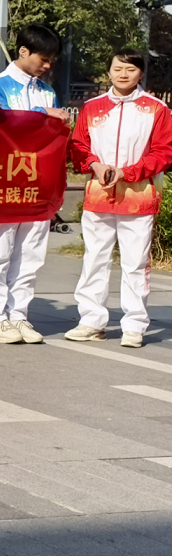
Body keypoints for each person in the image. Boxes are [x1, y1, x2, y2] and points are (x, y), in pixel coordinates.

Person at [66, 50, 172, 347]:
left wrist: (129, 172)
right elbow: (78, 146)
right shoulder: (92, 107)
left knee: (135, 262)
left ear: (141, 73)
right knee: (94, 259)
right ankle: (91, 321)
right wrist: (94, 165)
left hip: (139, 197)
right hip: (98, 195)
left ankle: (134, 325)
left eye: (130, 69)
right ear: (109, 71)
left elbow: (164, 152)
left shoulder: (156, 109)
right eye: (117, 68)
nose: (123, 74)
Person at [0, 24, 73, 343]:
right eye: (43, 59)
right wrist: (41, 113)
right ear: (23, 51)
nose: (47, 65)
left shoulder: (48, 91)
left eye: (51, 60)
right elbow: (1, 127)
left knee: (31, 254)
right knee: (0, 252)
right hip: (4, 180)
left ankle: (18, 315)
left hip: (38, 181)